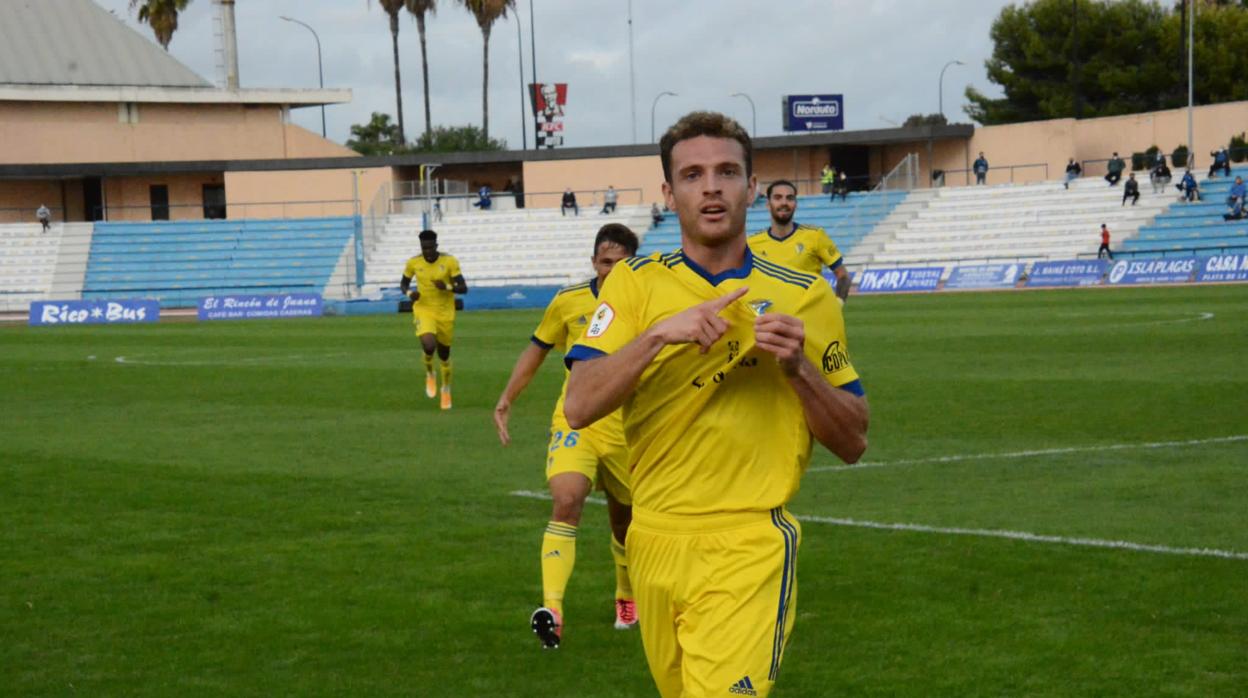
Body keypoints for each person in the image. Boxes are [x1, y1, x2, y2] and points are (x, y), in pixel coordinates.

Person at [563, 111, 869, 698]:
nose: (711, 187)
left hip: (746, 543)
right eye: (693, 174)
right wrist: (657, 337)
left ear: (751, 188)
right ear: (668, 193)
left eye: (728, 172)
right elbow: (579, 404)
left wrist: (798, 368)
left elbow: (854, 440)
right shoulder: (632, 283)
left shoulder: (805, 296)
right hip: (652, 538)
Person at [494, 224, 642, 649]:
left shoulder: (647, 300)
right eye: (604, 261)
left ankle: (626, 597)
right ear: (594, 262)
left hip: (625, 426)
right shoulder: (568, 300)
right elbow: (537, 349)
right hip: (575, 420)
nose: (611, 269)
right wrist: (507, 397)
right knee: (566, 500)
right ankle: (553, 611)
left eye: (620, 262)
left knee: (625, 521)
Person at [747, 179, 852, 302]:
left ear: (796, 204)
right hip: (773, 318)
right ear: (768, 204)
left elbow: (843, 275)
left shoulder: (815, 236)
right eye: (777, 198)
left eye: (790, 198)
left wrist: (838, 304)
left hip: (810, 318)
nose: (784, 202)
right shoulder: (752, 243)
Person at [399, 230, 468, 410]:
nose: (427, 252)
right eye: (424, 248)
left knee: (444, 354)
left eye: (430, 248)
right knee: (429, 345)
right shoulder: (413, 262)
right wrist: (409, 293)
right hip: (424, 309)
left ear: (436, 246)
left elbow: (463, 288)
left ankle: (445, 388)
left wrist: (445, 286)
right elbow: (403, 284)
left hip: (445, 313)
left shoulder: (449, 261)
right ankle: (430, 373)